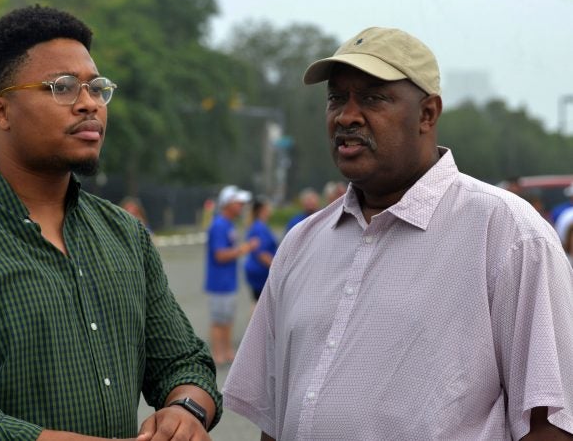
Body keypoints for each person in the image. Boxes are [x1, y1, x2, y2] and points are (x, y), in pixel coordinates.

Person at [223, 26, 573, 440]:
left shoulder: (509, 236)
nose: (347, 116)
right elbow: (276, 422)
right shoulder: (301, 243)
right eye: (336, 98)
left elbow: (550, 424)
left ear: (427, 114)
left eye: (372, 98)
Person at [0, 5, 220, 441]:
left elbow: (185, 361)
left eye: (97, 87)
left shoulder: (124, 235)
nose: (89, 104)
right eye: (63, 87)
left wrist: (186, 410)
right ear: (1, 111)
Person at [204, 185, 258, 366]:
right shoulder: (219, 225)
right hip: (219, 281)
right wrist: (244, 249)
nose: (242, 206)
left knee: (227, 318)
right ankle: (217, 353)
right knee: (219, 319)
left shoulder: (228, 224)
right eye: (238, 202)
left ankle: (227, 351)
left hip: (228, 280)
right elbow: (220, 255)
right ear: (227, 203)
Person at [244, 196, 278, 304]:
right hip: (260, 272)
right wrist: (277, 268)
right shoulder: (259, 227)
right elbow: (262, 253)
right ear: (263, 210)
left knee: (258, 303)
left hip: (257, 271)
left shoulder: (259, 226)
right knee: (260, 305)